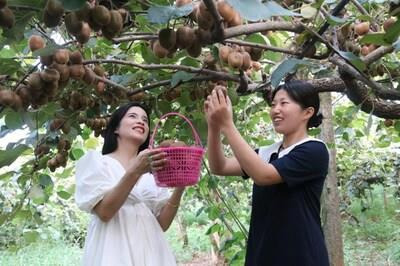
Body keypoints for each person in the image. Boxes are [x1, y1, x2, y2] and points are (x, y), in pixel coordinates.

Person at [204, 80, 330, 265]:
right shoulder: (267, 152)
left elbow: (264, 176)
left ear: (307, 112)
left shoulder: (314, 150)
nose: (275, 110)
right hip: (264, 252)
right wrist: (214, 126)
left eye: (284, 103)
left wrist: (227, 125)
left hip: (301, 254)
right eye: (273, 104)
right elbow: (219, 166)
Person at [75, 102, 184, 266]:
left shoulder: (152, 173)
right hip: (113, 250)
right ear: (116, 129)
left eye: (145, 120)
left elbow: (162, 224)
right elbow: (105, 212)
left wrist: (181, 186)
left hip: (152, 252)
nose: (141, 122)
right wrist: (135, 171)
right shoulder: (98, 163)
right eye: (133, 116)